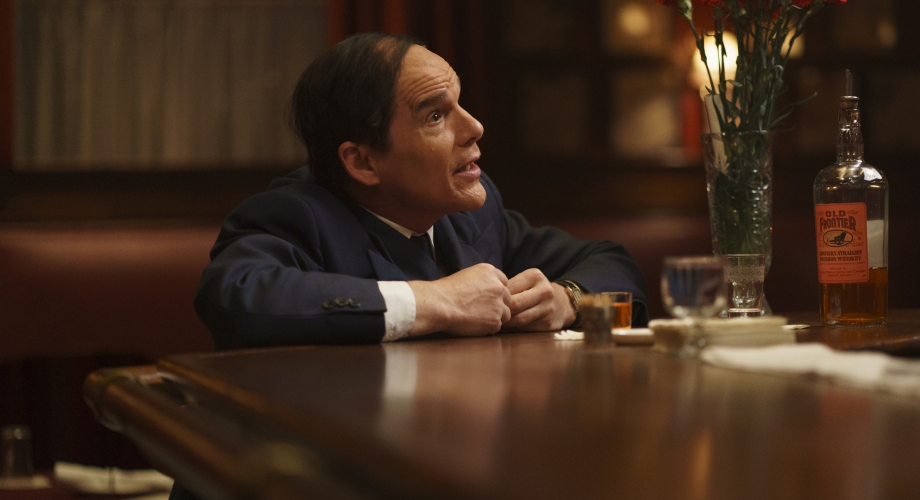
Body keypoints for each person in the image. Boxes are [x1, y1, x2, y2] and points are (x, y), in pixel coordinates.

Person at [194, 33, 648, 350]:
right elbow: (235, 297)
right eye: (435, 116)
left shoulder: (471, 210)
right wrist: (434, 301)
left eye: (459, 103)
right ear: (362, 162)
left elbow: (614, 264)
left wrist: (568, 300)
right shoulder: (297, 214)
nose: (475, 127)